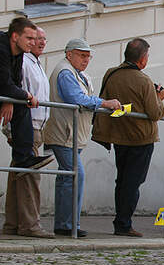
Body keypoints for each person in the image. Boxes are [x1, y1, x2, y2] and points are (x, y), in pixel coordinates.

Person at [42, 38, 122, 238]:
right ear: (69, 54)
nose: (86, 60)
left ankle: (64, 223)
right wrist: (104, 103)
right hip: (65, 132)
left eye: (88, 56)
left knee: (66, 177)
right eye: (82, 55)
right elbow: (76, 99)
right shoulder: (66, 72)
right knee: (76, 175)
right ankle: (69, 224)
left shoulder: (78, 74)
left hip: (73, 133)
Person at [91, 38, 164, 237]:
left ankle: (121, 221)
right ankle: (124, 223)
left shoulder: (111, 73)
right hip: (140, 139)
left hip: (118, 136)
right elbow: (154, 113)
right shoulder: (144, 80)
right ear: (142, 59)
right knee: (133, 183)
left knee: (122, 181)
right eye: (147, 56)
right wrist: (159, 98)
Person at [3, 27, 53, 238]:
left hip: (35, 124)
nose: (38, 42)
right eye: (34, 38)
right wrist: (11, 102)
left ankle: (13, 223)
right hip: (27, 125)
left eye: (42, 39)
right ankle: (30, 224)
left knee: (19, 172)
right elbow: (13, 85)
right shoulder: (22, 60)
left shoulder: (34, 61)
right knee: (29, 174)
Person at [0, 17, 52, 170]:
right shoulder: (2, 49)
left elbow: (15, 81)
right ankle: (24, 158)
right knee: (24, 101)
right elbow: (4, 84)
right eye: (29, 38)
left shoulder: (19, 51)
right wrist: (27, 96)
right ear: (15, 36)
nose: (33, 42)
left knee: (21, 106)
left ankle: (24, 158)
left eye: (35, 39)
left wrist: (10, 100)